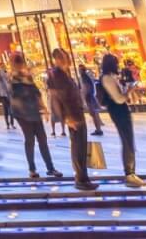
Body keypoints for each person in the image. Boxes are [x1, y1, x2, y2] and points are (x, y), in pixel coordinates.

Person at [47, 49, 97, 191]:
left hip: (77, 112)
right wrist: (66, 118)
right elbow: (57, 98)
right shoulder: (56, 74)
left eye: (66, 57)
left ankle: (84, 178)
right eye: (63, 57)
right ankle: (80, 179)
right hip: (72, 116)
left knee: (81, 146)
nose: (67, 60)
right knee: (77, 147)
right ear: (57, 59)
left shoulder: (64, 73)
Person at [6, 54, 61, 180]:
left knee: (42, 139)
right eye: (17, 63)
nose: (19, 65)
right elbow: (14, 97)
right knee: (30, 139)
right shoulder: (13, 78)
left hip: (33, 111)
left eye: (20, 63)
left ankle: (50, 168)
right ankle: (33, 169)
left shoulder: (27, 77)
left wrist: (44, 109)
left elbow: (36, 93)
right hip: (23, 114)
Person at [99, 53, 145, 187]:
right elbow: (118, 99)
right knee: (127, 140)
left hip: (120, 110)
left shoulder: (111, 77)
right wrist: (129, 91)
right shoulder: (107, 78)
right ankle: (129, 174)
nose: (118, 65)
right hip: (118, 110)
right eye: (116, 62)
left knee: (128, 140)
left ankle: (131, 173)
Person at [78, 62, 105, 135]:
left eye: (79, 69)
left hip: (89, 97)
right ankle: (98, 129)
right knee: (94, 113)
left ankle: (98, 129)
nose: (79, 71)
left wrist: (83, 98)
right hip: (91, 96)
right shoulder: (87, 76)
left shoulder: (84, 77)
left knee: (93, 113)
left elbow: (85, 88)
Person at [0, 65, 14, 131]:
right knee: (6, 111)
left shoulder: (7, 79)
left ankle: (11, 123)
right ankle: (8, 124)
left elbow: (10, 86)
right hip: (3, 97)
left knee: (11, 111)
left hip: (8, 96)